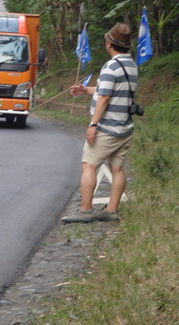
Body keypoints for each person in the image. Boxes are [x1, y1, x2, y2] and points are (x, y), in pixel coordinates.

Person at [62, 22, 138, 223]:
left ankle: (85, 210)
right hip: (125, 128)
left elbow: (104, 97)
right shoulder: (131, 64)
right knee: (118, 168)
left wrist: (93, 124)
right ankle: (111, 210)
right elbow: (111, 89)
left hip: (107, 128)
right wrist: (85, 90)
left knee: (89, 165)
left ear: (109, 44)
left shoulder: (111, 65)